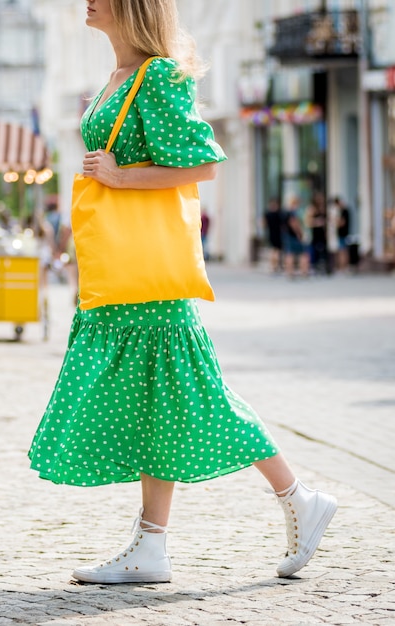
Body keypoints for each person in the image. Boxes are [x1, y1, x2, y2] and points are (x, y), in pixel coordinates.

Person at [28, 0, 336, 584]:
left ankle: (298, 497)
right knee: (157, 407)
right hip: (125, 272)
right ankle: (152, 547)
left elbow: (202, 165)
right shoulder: (120, 75)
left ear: (132, 8)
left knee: (197, 395)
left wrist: (119, 177)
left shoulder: (159, 75)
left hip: (147, 276)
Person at [282, 196, 310, 279]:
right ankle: (303, 272)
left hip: (288, 235)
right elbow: (293, 223)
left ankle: (290, 273)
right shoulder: (294, 212)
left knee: (290, 254)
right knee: (302, 254)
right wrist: (299, 233)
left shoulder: (286, 212)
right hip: (294, 236)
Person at [263, 197, 283, 273]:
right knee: (277, 251)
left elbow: (263, 224)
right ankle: (275, 266)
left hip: (271, 233)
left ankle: (273, 266)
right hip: (277, 233)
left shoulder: (267, 213)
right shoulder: (279, 213)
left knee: (273, 251)